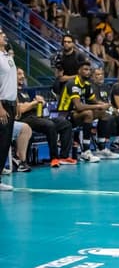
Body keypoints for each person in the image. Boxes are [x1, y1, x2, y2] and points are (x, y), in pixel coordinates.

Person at [16, 68, 75, 167]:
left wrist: (40, 102)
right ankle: (54, 158)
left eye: (23, 74)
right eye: (19, 74)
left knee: (65, 124)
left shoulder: (25, 90)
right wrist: (34, 103)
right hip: (25, 120)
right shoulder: (13, 92)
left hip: (37, 118)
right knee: (49, 125)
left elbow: (30, 105)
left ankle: (64, 157)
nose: (22, 76)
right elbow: (20, 110)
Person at [0, 28, 17, 191]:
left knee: (5, 142)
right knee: (1, 142)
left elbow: (11, 80)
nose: (4, 35)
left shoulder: (8, 56)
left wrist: (16, 101)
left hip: (11, 104)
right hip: (2, 105)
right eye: (0, 34)